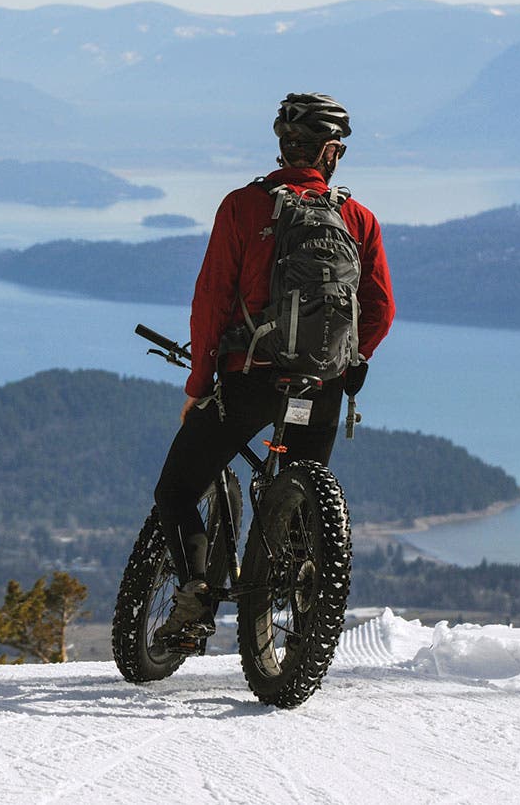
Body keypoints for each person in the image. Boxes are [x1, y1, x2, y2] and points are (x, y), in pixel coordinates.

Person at [151, 92, 395, 646]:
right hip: (323, 387)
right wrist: (353, 361)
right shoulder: (358, 218)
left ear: (285, 147)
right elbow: (380, 310)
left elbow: (211, 300)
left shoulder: (243, 206)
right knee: (307, 491)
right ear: (330, 151)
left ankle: (193, 604)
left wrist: (199, 384)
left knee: (176, 491)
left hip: (252, 381)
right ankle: (299, 595)